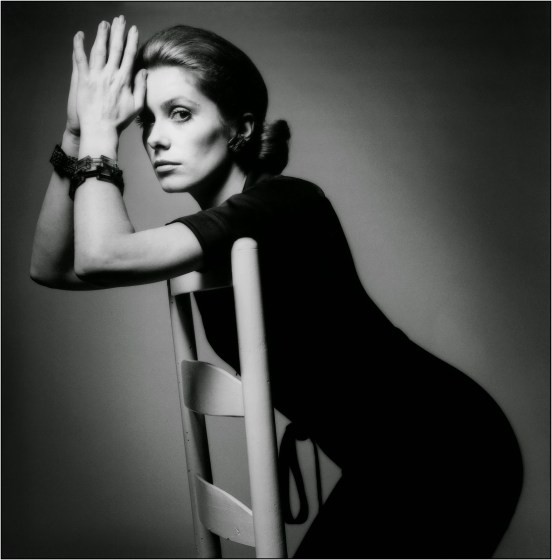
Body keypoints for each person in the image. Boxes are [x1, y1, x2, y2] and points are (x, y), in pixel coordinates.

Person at [31, 16, 523, 558]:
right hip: (388, 461)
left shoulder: (283, 205)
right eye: (146, 120)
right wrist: (75, 135)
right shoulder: (208, 235)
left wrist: (101, 134)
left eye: (180, 113)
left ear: (240, 127)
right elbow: (53, 267)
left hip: (451, 450)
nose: (154, 137)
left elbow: (101, 255)